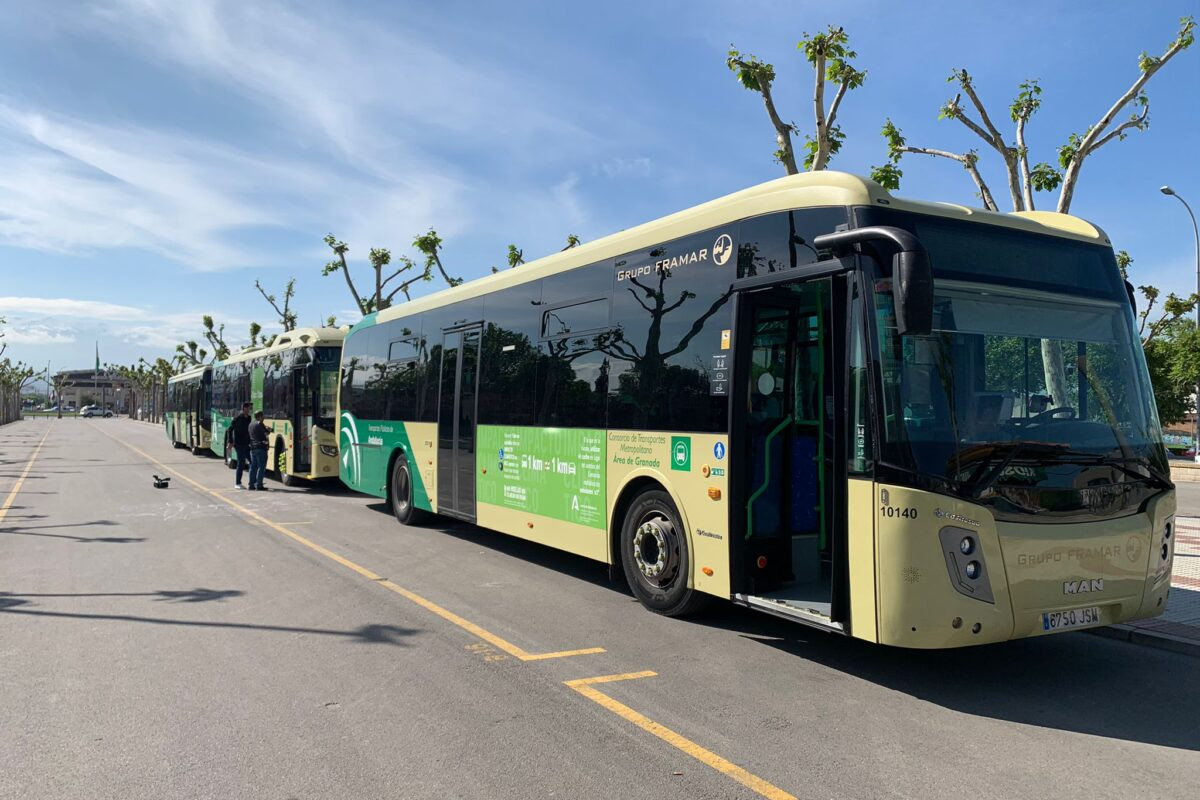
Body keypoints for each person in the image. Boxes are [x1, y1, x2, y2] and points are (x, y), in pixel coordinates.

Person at [230, 402, 252, 489]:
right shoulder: (237, 418)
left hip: (246, 444)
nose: (249, 410)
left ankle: (252, 481)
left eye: (249, 408)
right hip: (238, 444)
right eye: (248, 408)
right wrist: (230, 442)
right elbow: (230, 429)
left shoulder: (249, 418)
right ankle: (237, 483)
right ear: (244, 409)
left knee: (252, 461)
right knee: (241, 463)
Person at [248, 410, 271, 491]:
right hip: (261, 447)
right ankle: (259, 485)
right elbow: (266, 432)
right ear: (260, 417)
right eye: (263, 416)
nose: (264, 417)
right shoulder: (260, 424)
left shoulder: (251, 424)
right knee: (261, 467)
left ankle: (251, 484)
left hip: (252, 448)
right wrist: (270, 430)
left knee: (253, 466)